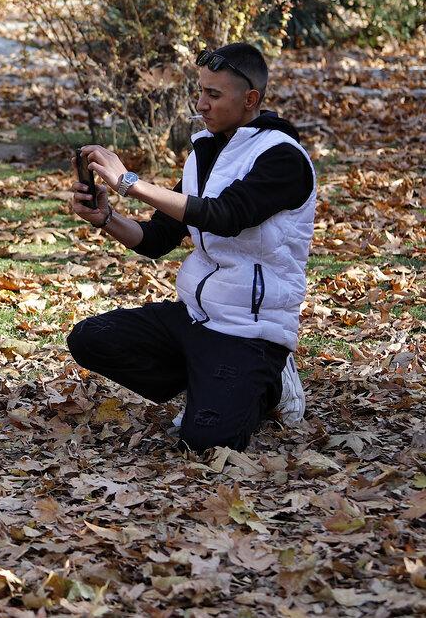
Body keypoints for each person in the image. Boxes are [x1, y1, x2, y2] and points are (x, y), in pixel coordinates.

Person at [68, 42, 314, 452]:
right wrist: (106, 219)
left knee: (207, 441)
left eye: (213, 95)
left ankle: (271, 380)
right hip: (196, 317)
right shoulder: (204, 153)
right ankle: (211, 382)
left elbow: (225, 215)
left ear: (250, 99)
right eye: (200, 91)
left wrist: (130, 183)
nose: (200, 104)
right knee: (91, 338)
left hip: (249, 330)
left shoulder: (283, 158)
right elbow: (157, 239)